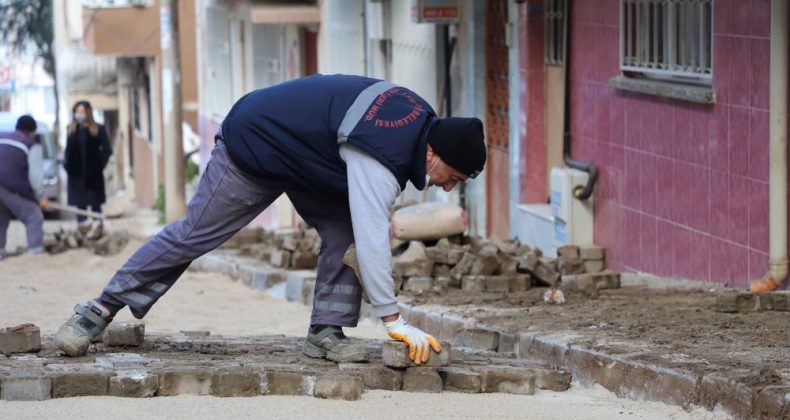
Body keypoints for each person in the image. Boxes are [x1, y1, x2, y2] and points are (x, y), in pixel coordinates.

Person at [55, 74, 486, 365]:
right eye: (455, 177)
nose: (449, 188)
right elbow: (376, 238)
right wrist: (395, 321)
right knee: (195, 234)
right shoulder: (382, 151)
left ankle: (325, 332)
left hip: (313, 157)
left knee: (344, 232)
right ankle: (96, 310)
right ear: (435, 154)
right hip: (257, 141)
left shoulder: (422, 125)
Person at [0, 115, 49, 260]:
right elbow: (35, 177)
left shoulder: (2, 137)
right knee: (33, 216)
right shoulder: (32, 144)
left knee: (1, 218)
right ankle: (35, 252)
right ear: (33, 131)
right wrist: (41, 197)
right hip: (11, 187)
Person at [63, 101, 112, 226]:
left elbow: (106, 149)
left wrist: (100, 165)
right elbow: (67, 151)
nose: (79, 114)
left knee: (96, 206)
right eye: (77, 112)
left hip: (93, 176)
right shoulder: (71, 129)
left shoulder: (98, 129)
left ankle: (97, 231)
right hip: (76, 176)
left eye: (81, 112)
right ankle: (82, 230)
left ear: (88, 113)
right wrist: (67, 165)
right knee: (80, 208)